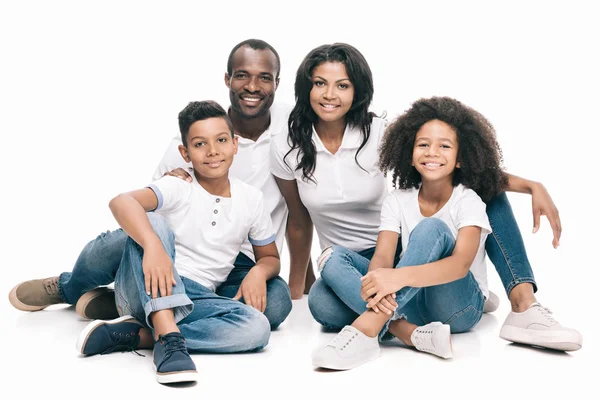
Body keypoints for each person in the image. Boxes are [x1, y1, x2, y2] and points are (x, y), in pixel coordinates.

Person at [270, 43, 581, 354]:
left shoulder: (377, 132)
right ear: (305, 87)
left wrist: (530, 186)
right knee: (322, 304)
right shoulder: (287, 143)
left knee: (488, 193)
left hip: (408, 249)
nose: (329, 95)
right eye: (319, 83)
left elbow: (444, 165)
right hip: (355, 265)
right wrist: (297, 288)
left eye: (343, 85)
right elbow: (297, 220)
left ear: (357, 90)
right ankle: (407, 330)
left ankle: (523, 304)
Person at [8, 38, 297, 328]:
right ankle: (72, 287)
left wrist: (291, 275)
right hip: (180, 257)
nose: (252, 87)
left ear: (277, 83)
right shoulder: (190, 140)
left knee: (275, 305)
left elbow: (301, 204)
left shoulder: (290, 128)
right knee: (129, 236)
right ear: (227, 79)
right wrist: (155, 243)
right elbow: (146, 212)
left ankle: (133, 305)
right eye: (242, 75)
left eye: (264, 78)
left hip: (242, 261)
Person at [311, 97, 582, 369]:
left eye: (444, 146)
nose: (432, 153)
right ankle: (410, 332)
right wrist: (379, 280)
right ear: (409, 153)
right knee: (323, 289)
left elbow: (460, 264)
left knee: (431, 229)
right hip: (412, 302)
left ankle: (368, 330)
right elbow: (381, 258)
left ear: (461, 159)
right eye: (423, 145)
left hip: (458, 306)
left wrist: (395, 277)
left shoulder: (469, 200)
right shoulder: (397, 199)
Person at [76, 100, 277, 384]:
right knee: (152, 221)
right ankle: (169, 340)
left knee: (257, 328)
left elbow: (270, 257)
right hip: (151, 283)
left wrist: (259, 270)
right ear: (185, 152)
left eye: (221, 140)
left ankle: (140, 335)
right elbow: (121, 201)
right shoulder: (178, 185)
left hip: (198, 296)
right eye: (199, 144)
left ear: (235, 144)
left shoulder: (252, 199)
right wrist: (154, 246)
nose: (212, 151)